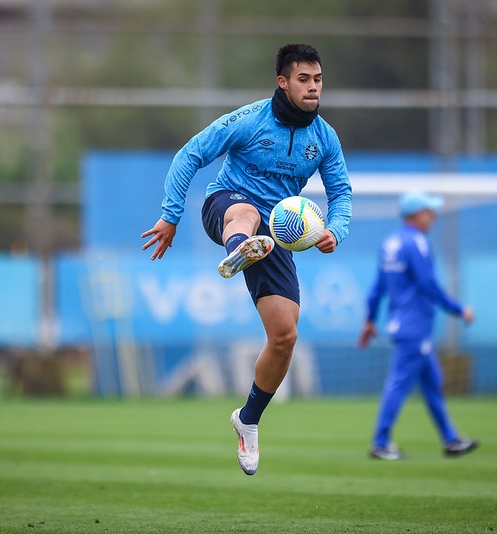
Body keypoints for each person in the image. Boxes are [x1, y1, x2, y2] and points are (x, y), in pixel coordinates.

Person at [141, 44, 352, 475]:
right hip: (227, 206)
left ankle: (248, 419)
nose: (313, 89)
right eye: (303, 80)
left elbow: (341, 193)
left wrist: (335, 230)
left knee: (285, 336)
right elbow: (190, 155)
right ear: (282, 81)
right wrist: (170, 215)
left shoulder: (324, 138)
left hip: (277, 236)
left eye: (318, 80)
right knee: (247, 213)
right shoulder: (249, 120)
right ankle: (237, 249)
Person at [357, 191, 478, 460]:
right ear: (416, 214)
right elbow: (428, 285)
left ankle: (450, 439)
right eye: (429, 211)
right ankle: (380, 443)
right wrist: (459, 309)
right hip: (415, 326)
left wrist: (369, 320)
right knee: (398, 383)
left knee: (432, 381)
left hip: (402, 322)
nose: (433, 216)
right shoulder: (417, 243)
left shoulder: (390, 243)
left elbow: (377, 288)